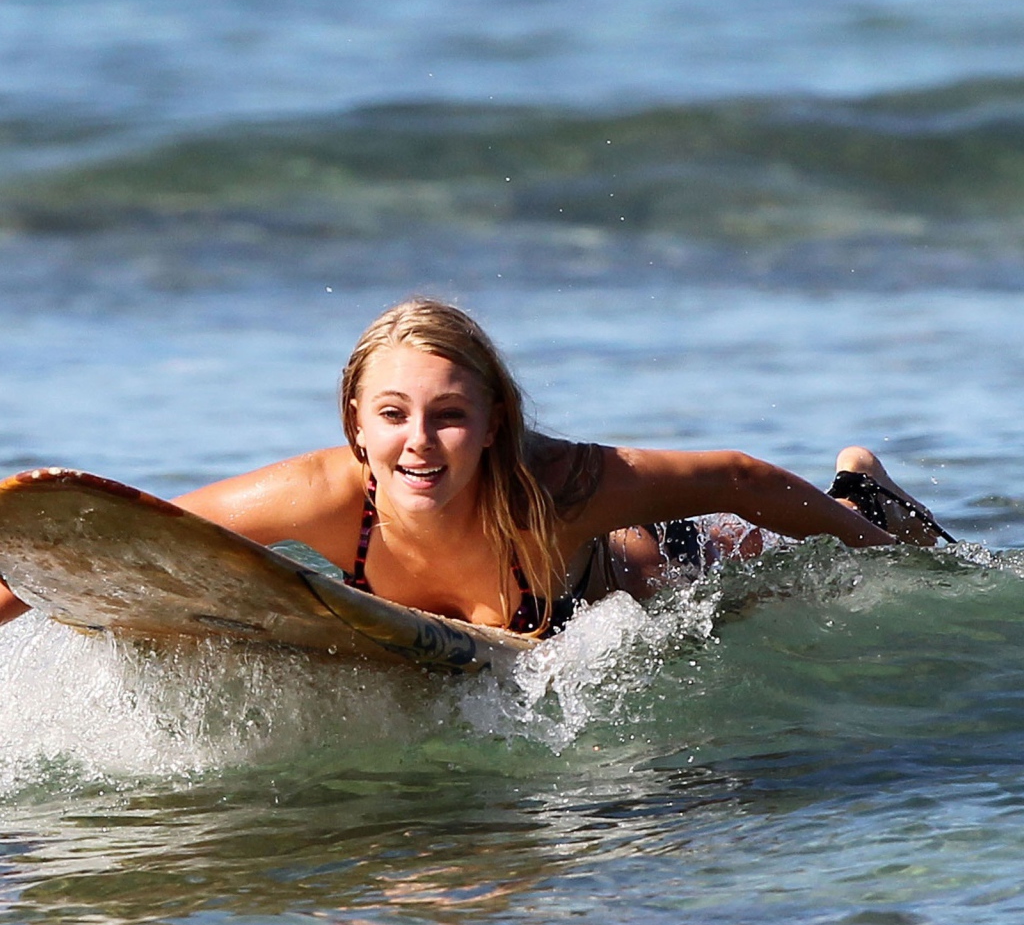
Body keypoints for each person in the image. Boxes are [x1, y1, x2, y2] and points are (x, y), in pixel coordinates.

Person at [0, 298, 952, 637]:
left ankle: (861, 488)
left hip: (642, 579)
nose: (420, 441)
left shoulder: (565, 481)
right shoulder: (321, 496)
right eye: (394, 415)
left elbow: (738, 478)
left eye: (451, 416)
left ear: (495, 423)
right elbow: (112, 540)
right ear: (356, 425)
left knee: (762, 572)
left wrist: (881, 551)